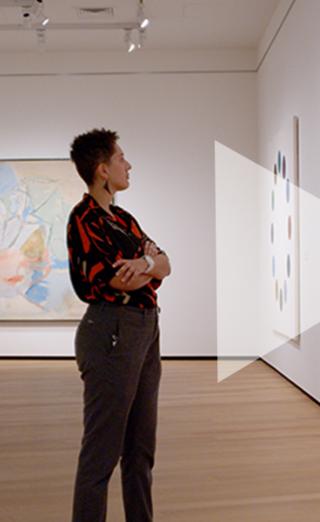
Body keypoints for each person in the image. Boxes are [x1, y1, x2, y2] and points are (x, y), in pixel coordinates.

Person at [66, 128, 171, 522]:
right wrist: (147, 266)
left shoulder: (125, 219)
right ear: (102, 170)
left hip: (145, 328)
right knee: (102, 452)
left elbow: (165, 263)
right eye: (122, 158)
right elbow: (111, 279)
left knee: (141, 449)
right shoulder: (83, 219)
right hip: (110, 331)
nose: (129, 164)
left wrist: (144, 264)